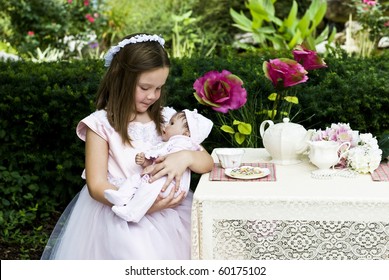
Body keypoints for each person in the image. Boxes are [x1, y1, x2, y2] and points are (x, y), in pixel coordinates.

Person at [41, 33, 214, 260]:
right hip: (120, 214)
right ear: (121, 80)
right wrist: (142, 207)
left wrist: (186, 157)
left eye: (159, 88)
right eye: (145, 87)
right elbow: (96, 185)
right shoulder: (100, 125)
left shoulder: (167, 120)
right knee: (138, 255)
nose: (152, 95)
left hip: (170, 214)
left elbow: (207, 162)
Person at [104, 109, 213, 222]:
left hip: (170, 183)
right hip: (158, 178)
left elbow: (171, 159)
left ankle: (133, 212)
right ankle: (122, 196)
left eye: (171, 123)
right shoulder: (169, 143)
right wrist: (146, 162)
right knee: (136, 180)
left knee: (146, 190)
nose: (166, 125)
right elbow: (159, 160)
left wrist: (186, 157)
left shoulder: (183, 143)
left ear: (185, 134)